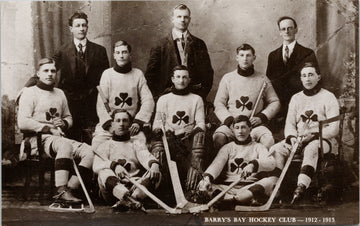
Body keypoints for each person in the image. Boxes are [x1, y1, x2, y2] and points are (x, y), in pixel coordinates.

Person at [17, 58, 94, 204]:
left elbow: (68, 117)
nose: (50, 74)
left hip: (58, 139)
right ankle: (61, 189)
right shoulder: (29, 93)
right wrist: (49, 128)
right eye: (46, 71)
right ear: (38, 73)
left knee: (90, 152)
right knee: (64, 146)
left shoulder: (60, 93)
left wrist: (64, 123)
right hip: (36, 140)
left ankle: (69, 189)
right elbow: (23, 122)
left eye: (53, 71)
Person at [269, 62, 339, 203]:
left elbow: (334, 128)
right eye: (304, 75)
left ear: (318, 77)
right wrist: (292, 137)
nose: (307, 79)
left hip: (324, 140)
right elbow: (289, 124)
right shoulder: (296, 98)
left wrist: (314, 135)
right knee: (276, 149)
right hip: (299, 139)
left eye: (311, 75)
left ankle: (301, 187)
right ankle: (276, 188)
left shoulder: (328, 97)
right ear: (300, 78)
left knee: (312, 148)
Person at [53, 11, 109, 144]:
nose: (81, 29)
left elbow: (107, 78)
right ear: (71, 29)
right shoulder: (62, 51)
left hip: (92, 102)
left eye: (84, 25)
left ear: (87, 27)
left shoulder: (99, 50)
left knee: (93, 140)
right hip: (70, 103)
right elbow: (48, 68)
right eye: (77, 26)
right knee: (72, 140)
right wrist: (29, 85)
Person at [151, 65, 206, 197]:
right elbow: (157, 122)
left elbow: (200, 123)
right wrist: (161, 130)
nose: (181, 80)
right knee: (158, 148)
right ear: (172, 79)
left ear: (189, 80)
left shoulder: (196, 99)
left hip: (188, 139)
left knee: (199, 141)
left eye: (184, 77)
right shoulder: (164, 99)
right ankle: (161, 190)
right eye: (178, 77)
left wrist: (191, 132)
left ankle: (191, 188)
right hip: (169, 138)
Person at [213, 44, 280, 150]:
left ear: (254, 58)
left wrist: (261, 117)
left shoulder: (262, 79)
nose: (245, 58)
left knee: (268, 140)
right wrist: (229, 120)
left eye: (248, 55)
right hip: (232, 124)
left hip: (254, 125)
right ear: (237, 58)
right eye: (242, 55)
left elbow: (275, 102)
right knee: (218, 138)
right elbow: (218, 103)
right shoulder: (228, 78)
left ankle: (258, 165)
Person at [197, 115, 276, 205]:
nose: (240, 131)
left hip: (249, 187)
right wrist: (207, 178)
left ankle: (230, 200)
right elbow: (216, 165)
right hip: (228, 188)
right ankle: (237, 200)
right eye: (237, 128)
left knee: (272, 180)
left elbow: (271, 163)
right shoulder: (227, 147)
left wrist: (253, 165)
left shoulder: (258, 146)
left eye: (243, 127)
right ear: (233, 130)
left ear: (250, 129)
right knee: (204, 185)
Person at [92, 40, 154, 150]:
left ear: (130, 55)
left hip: (131, 125)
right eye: (118, 53)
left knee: (141, 146)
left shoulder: (138, 74)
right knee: (98, 143)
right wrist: (109, 125)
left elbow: (148, 100)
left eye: (124, 52)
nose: (121, 56)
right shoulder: (107, 74)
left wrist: (138, 122)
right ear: (114, 55)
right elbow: (101, 104)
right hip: (112, 124)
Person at [93, 109, 161, 209]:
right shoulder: (105, 145)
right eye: (118, 121)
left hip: (135, 186)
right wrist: (114, 166)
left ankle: (130, 199)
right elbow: (96, 166)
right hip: (114, 190)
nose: (121, 124)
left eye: (125, 121)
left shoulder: (136, 143)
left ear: (130, 124)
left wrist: (154, 164)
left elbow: (145, 155)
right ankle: (125, 197)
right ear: (112, 124)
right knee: (103, 172)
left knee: (156, 172)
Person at [145, 4, 214, 101]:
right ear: (172, 19)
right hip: (167, 98)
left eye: (185, 17)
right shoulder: (160, 45)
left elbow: (208, 75)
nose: (182, 20)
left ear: (189, 19)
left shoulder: (199, 44)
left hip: (193, 98)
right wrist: (160, 98)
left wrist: (200, 97)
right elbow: (150, 76)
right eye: (179, 16)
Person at [266, 16, 319, 135]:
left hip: (301, 104)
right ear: (280, 32)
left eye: (290, 28)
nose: (287, 31)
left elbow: (314, 81)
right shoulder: (273, 56)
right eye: (283, 29)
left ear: (296, 30)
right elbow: (270, 84)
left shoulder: (307, 53)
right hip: (279, 108)